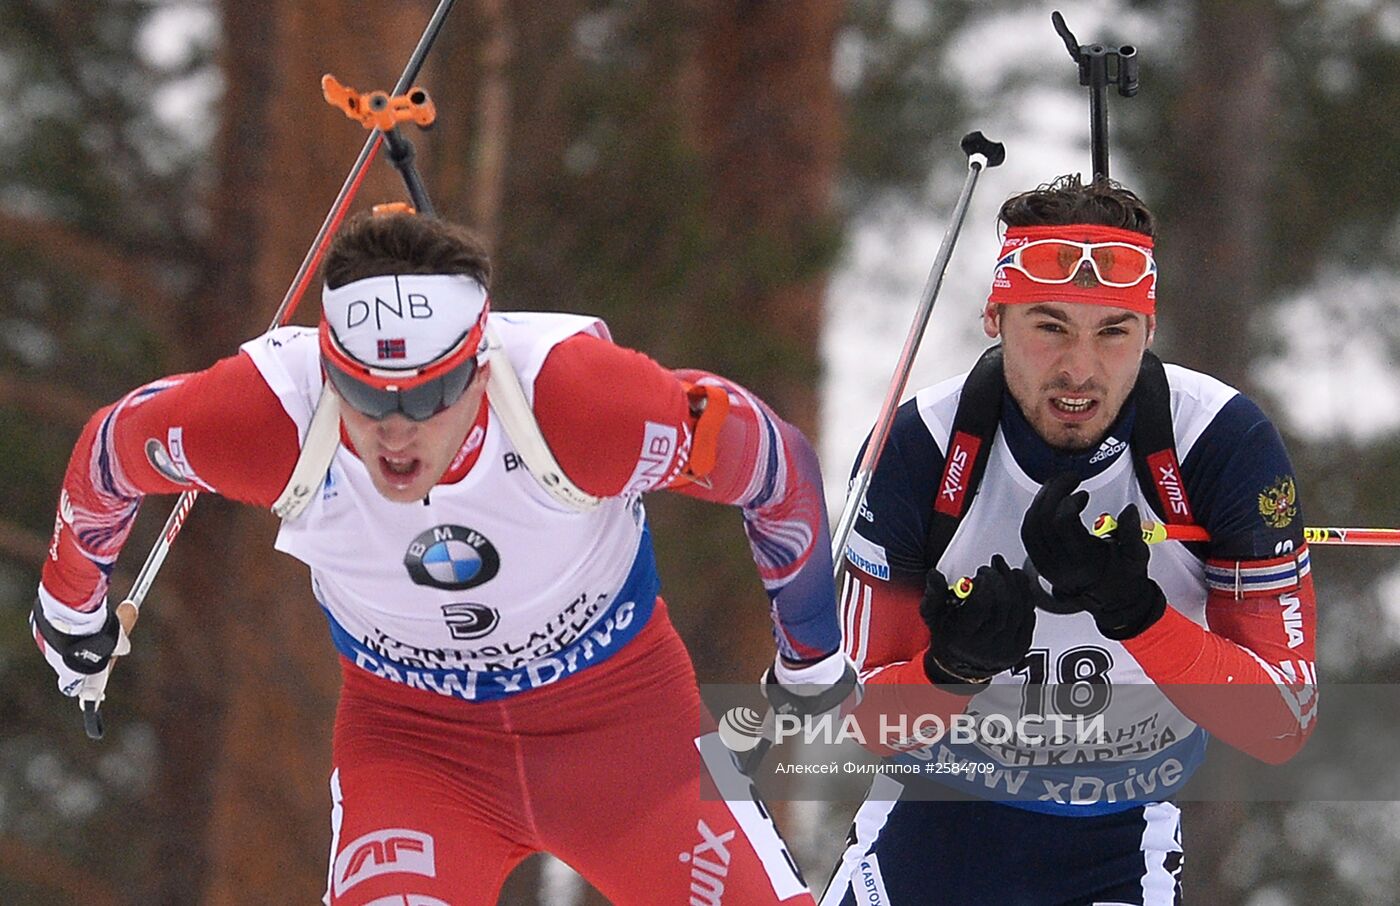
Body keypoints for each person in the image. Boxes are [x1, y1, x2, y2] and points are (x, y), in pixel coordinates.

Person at [30, 210, 855, 905]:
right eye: (363, 394)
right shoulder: (269, 417)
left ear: (478, 365)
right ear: (327, 370)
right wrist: (70, 611)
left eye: (425, 396)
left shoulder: (580, 403)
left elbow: (772, 464)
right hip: (415, 751)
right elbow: (113, 449)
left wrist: (812, 652)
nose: (395, 431)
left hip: (629, 737)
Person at [821, 175, 1318, 905]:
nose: (1079, 370)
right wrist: (952, 670)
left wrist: (1140, 618)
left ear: (1149, 330)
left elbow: (1283, 723)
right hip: (934, 818)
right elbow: (858, 721)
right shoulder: (918, 447)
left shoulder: (1219, 442)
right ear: (996, 317)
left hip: (1118, 838)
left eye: (1113, 330)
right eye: (1049, 327)